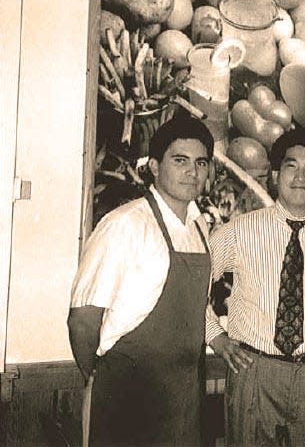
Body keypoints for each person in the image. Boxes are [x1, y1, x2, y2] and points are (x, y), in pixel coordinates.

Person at [68, 114, 214, 446]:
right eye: (180, 161)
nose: (192, 171)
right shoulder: (124, 224)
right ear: (154, 165)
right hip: (127, 396)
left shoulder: (199, 226)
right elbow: (83, 320)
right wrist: (102, 378)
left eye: (201, 163)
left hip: (184, 396)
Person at [206, 127, 305, 446]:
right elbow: (194, 288)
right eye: (291, 166)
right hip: (254, 373)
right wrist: (216, 339)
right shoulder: (238, 232)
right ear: (275, 174)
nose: (300, 176)